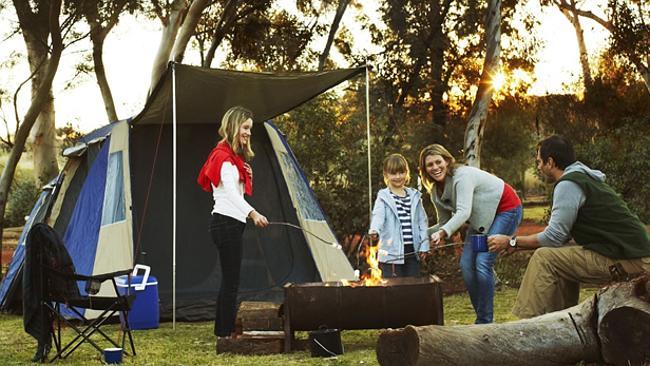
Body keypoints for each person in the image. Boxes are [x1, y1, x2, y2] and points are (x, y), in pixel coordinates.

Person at [488, 135, 650, 319]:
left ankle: (525, 326)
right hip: (634, 256)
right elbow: (561, 238)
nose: (539, 167)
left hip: (629, 260)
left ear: (551, 162)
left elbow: (553, 237)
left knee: (545, 258)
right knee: (559, 255)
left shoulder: (569, 184)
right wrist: (517, 246)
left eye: (540, 162)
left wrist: (512, 241)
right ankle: (562, 320)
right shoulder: (585, 178)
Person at [419, 144, 522, 324]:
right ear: (424, 169)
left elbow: (463, 213)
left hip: (505, 210)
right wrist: (421, 235)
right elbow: (444, 223)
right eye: (430, 165)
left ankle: (484, 321)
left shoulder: (462, 176)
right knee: (467, 265)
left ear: (447, 161)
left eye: (438, 162)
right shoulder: (436, 192)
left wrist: (443, 233)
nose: (435, 167)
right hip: (482, 221)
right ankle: (482, 318)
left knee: (482, 261)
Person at [197, 106, 269, 344]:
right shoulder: (223, 158)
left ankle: (223, 329)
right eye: (245, 127)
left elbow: (235, 192)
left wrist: (246, 175)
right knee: (231, 281)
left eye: (250, 128)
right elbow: (230, 195)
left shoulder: (232, 159)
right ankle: (224, 333)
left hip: (230, 224)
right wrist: (254, 213)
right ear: (233, 126)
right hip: (225, 223)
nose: (248, 132)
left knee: (230, 280)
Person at [369, 153, 429, 278]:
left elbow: (422, 223)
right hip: (391, 254)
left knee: (412, 286)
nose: (398, 177)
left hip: (412, 251)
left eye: (401, 172)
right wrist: (374, 229)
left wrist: (424, 245)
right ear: (386, 175)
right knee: (393, 289)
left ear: (406, 173)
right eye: (393, 173)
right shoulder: (383, 197)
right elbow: (378, 216)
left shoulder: (415, 196)